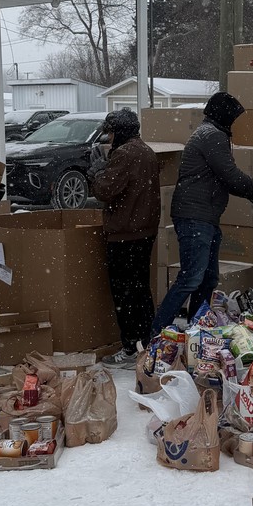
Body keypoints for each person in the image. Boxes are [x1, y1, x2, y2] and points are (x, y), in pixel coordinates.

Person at [149, 92, 253, 336]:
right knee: (191, 278)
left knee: (208, 278)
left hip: (204, 217)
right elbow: (230, 175)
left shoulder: (211, 133)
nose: (234, 123)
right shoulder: (212, 136)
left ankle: (196, 329)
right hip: (195, 217)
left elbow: (225, 178)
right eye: (233, 117)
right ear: (223, 115)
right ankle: (156, 333)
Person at [88, 110, 160, 369]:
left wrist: (98, 172)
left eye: (110, 132)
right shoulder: (146, 151)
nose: (108, 138)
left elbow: (105, 190)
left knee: (125, 295)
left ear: (119, 132)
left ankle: (130, 347)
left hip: (125, 234)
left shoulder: (125, 154)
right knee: (140, 290)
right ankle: (146, 343)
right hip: (144, 231)